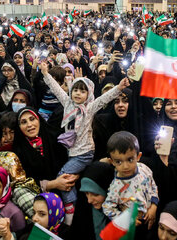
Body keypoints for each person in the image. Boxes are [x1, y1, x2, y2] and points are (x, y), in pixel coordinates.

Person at [40, 61, 130, 225]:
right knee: (71, 179)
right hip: (71, 152)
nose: (78, 93)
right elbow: (56, 89)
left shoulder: (89, 108)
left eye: (83, 91)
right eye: (75, 90)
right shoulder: (68, 104)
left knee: (63, 177)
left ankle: (70, 208)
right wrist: (45, 74)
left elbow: (105, 98)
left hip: (84, 153)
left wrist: (119, 87)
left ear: (88, 94)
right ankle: (75, 205)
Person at [102, 131, 158, 238]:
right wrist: (126, 220)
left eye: (130, 159)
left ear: (138, 156)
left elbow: (153, 187)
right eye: (119, 162)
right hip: (132, 227)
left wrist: (154, 207)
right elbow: (107, 207)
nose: (125, 166)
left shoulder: (144, 169)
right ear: (112, 161)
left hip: (150, 218)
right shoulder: (116, 186)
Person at [76, 161, 115, 240]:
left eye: (95, 194)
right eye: (86, 193)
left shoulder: (121, 212)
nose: (89, 201)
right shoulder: (83, 210)